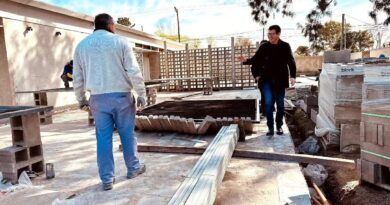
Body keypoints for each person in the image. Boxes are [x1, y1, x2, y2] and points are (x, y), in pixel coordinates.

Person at [73, 13, 147, 191]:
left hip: (98, 99)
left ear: (95, 26)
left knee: (103, 139)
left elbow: (77, 77)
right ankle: (133, 169)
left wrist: (81, 100)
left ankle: (107, 179)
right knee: (127, 134)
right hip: (122, 97)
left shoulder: (82, 46)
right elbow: (133, 71)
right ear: (111, 25)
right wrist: (142, 93)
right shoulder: (121, 42)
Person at [239, 25, 296, 137]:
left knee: (280, 105)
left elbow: (291, 61)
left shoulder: (285, 46)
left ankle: (278, 125)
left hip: (280, 80)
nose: (269, 36)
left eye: (272, 34)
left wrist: (293, 76)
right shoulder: (264, 47)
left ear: (278, 34)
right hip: (266, 80)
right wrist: (246, 61)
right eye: (268, 34)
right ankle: (270, 127)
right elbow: (256, 59)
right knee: (268, 103)